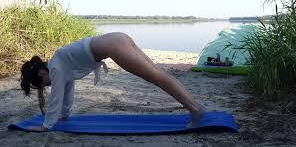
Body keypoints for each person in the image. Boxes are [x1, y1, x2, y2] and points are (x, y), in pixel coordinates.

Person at [20, 32, 205, 131]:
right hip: (118, 38)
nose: (50, 84)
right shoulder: (60, 63)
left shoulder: (56, 67)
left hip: (114, 45)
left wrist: (46, 126)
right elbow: (67, 91)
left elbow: (56, 96)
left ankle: (195, 109)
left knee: (156, 77)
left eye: (45, 83)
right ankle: (195, 107)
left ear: (41, 73)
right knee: (159, 73)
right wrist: (64, 115)